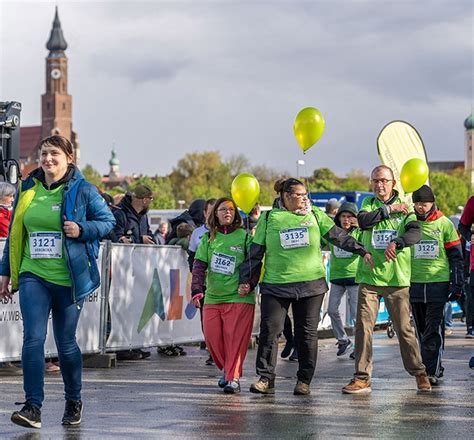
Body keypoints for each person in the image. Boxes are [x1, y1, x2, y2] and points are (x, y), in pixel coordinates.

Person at [0, 135, 115, 429]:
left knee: (65, 344)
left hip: (68, 278)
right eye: (44, 154)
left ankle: (74, 399)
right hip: (32, 273)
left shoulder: (83, 190)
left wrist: (82, 228)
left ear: (69, 158)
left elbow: (108, 222)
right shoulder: (28, 188)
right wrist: (5, 272)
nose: (47, 159)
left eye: (54, 154)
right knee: (33, 337)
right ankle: (32, 406)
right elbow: (15, 233)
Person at [240, 178, 373, 395]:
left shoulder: (315, 214)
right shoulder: (269, 217)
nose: (305, 199)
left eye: (305, 194)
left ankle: (304, 380)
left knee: (307, 333)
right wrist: (246, 280)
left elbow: (338, 237)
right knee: (270, 331)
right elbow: (255, 253)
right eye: (300, 195)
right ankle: (265, 377)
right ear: (286, 196)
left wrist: (362, 250)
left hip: (311, 285)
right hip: (276, 284)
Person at [342, 165, 431, 395]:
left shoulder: (407, 207)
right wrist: (390, 210)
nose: (379, 185)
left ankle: (419, 372)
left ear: (393, 183)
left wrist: (397, 242)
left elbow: (415, 233)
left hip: (396, 279)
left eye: (384, 180)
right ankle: (362, 377)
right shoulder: (368, 204)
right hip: (369, 278)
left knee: (404, 329)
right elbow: (363, 221)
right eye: (375, 181)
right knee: (363, 328)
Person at [191, 197, 256, 394]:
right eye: (222, 210)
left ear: (235, 214)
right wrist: (196, 290)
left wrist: (249, 284)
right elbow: (199, 265)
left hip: (239, 297)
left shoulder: (244, 237)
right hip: (213, 297)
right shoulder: (209, 238)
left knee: (234, 339)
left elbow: (254, 264)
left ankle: (233, 378)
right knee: (212, 339)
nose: (227, 212)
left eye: (230, 209)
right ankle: (228, 371)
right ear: (215, 214)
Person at [409, 185, 464, 386]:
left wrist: (457, 284)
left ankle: (431, 371)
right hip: (414, 284)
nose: (420, 207)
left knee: (433, 330)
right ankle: (429, 367)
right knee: (421, 331)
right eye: (417, 204)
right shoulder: (410, 223)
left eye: (424, 203)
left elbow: (457, 257)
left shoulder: (445, 224)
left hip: (437, 284)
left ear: (432, 203)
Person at [325, 202, 361, 358]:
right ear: (338, 218)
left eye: (349, 216)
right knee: (331, 310)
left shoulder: (359, 233)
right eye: (343, 216)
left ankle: (359, 346)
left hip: (355, 278)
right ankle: (343, 340)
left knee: (355, 315)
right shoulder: (333, 233)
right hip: (337, 277)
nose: (346, 220)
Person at [187, 198, 216, 365]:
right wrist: (196, 277)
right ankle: (212, 351)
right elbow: (191, 258)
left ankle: (222, 348)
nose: (212, 215)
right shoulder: (198, 233)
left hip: (222, 284)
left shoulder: (226, 233)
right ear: (205, 213)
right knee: (206, 319)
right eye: (210, 212)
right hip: (204, 284)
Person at [458, 196, 474, 339]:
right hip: (473, 264)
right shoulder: (473, 202)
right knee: (471, 298)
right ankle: (471, 326)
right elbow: (462, 226)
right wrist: (470, 235)